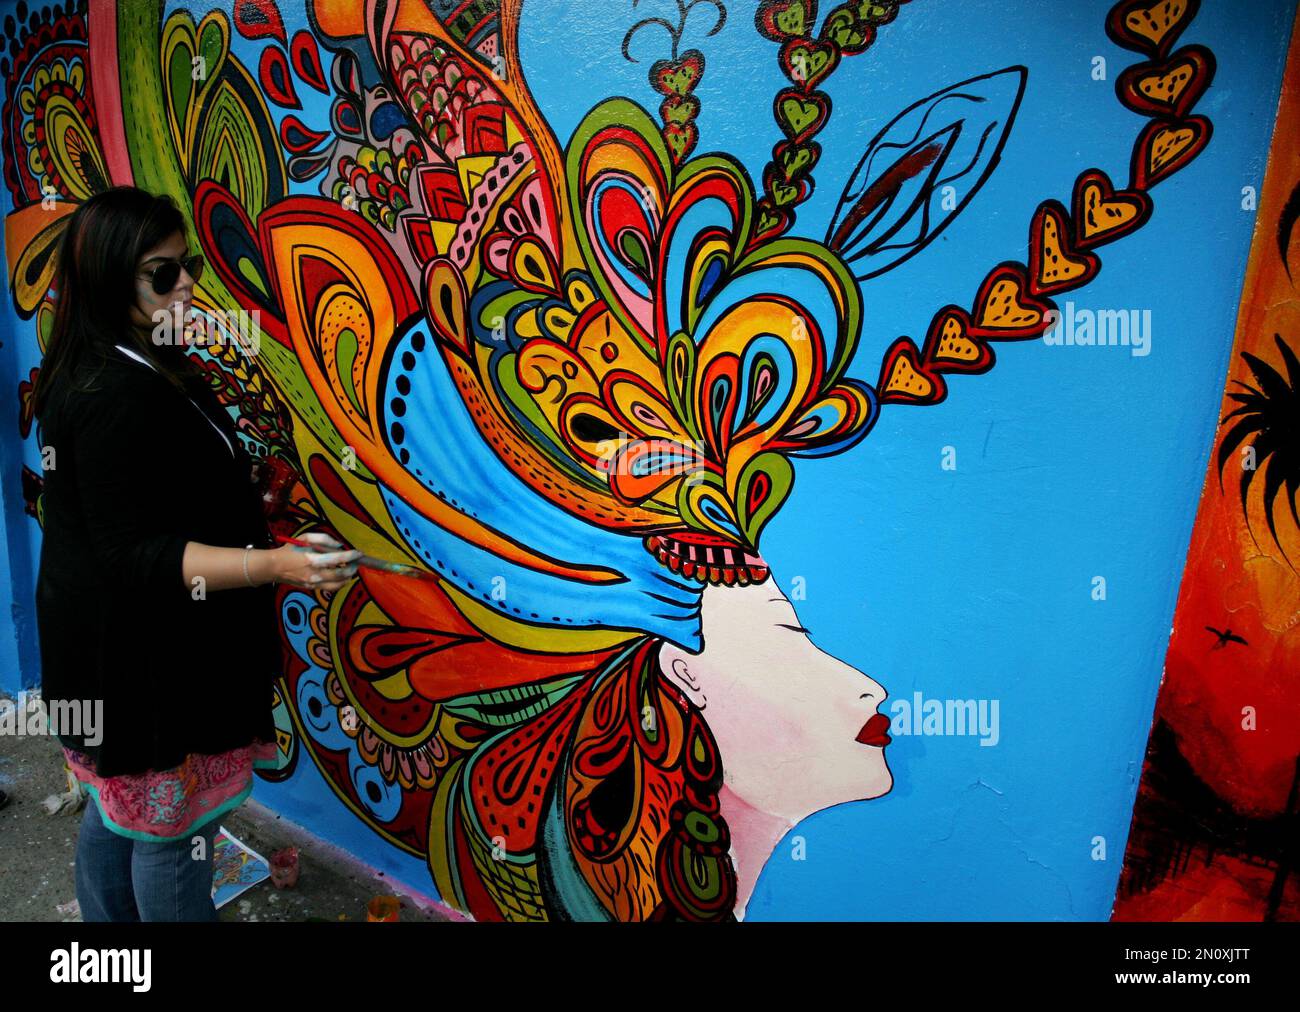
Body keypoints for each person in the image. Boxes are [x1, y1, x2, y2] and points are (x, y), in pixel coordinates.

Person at [31, 186, 363, 922]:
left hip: (111, 652)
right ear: (113, 280)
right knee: (174, 835)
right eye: (163, 274)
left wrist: (253, 515)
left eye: (186, 268)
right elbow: (138, 557)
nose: (187, 286)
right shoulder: (114, 392)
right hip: (145, 668)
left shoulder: (121, 361)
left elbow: (145, 501)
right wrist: (274, 566)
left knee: (120, 813)